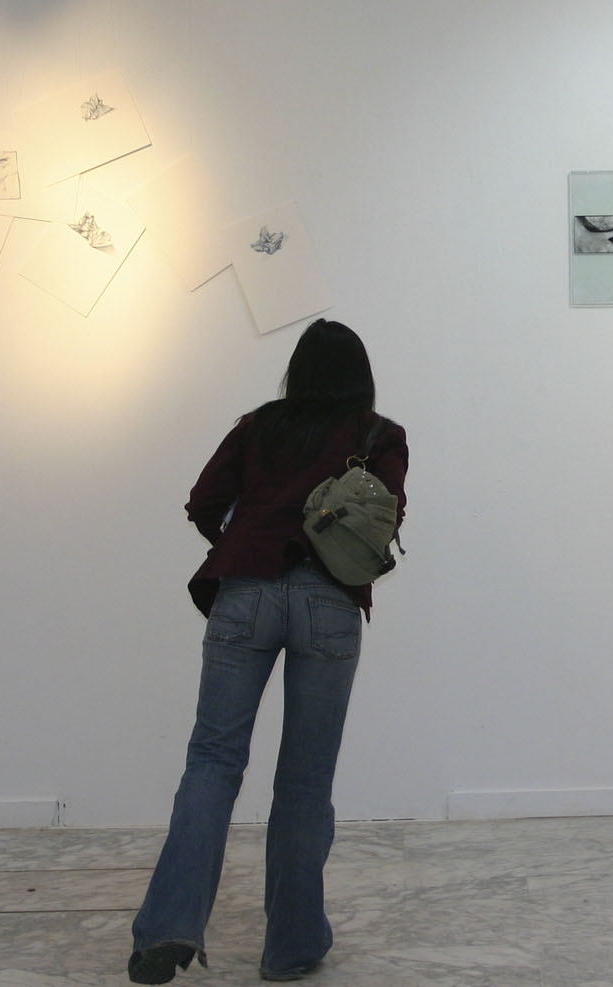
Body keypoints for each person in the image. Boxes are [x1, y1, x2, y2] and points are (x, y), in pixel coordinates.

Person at [129, 318, 408, 984]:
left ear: (297, 372)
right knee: (306, 781)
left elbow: (203, 501)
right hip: (328, 603)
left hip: (245, 592)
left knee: (212, 762)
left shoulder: (258, 427)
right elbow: (387, 516)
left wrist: (245, 537)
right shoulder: (379, 436)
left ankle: (168, 926)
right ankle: (291, 946)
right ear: (361, 377)